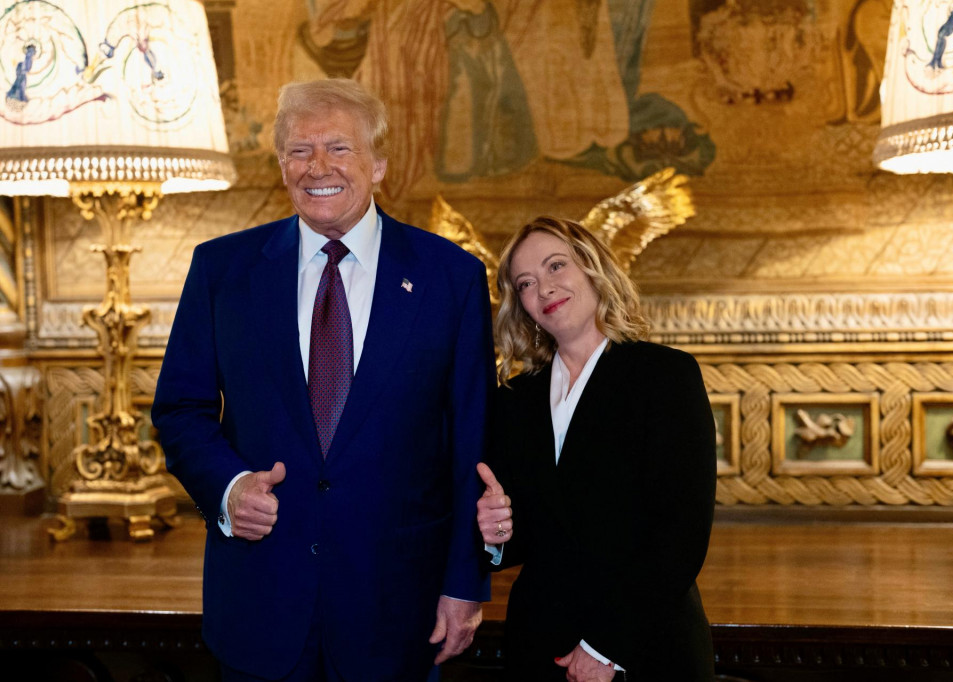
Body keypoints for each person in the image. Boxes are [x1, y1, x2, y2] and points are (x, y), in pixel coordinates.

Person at [152, 78, 494, 681]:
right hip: (260, 603)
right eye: (298, 150)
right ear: (281, 164)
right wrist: (229, 488)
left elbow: (472, 439)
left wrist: (466, 582)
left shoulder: (452, 278)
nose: (317, 167)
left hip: (398, 608)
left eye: (339, 148)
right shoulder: (221, 269)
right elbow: (180, 407)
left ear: (379, 164)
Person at [475, 216, 717, 681]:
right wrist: (496, 531)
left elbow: (682, 535)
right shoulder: (515, 398)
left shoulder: (664, 377)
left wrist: (606, 646)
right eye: (525, 283)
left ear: (592, 267)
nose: (543, 289)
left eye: (555, 266)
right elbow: (528, 537)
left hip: (645, 648)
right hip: (541, 645)